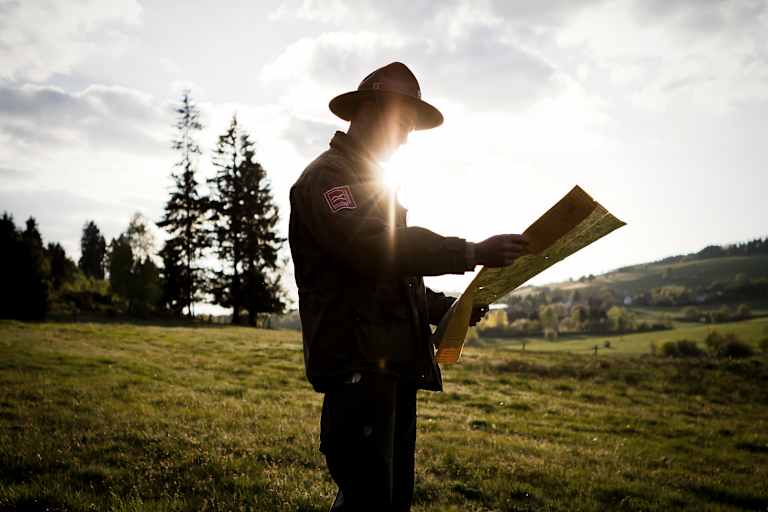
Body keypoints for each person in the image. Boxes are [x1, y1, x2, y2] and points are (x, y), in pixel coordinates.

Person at [288, 62, 529, 511]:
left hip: (390, 366)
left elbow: (390, 276)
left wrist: (446, 308)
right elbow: (375, 248)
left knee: (390, 501)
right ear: (370, 112)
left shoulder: (373, 183)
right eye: (402, 124)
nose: (403, 139)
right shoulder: (328, 179)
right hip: (358, 367)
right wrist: (469, 251)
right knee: (368, 501)